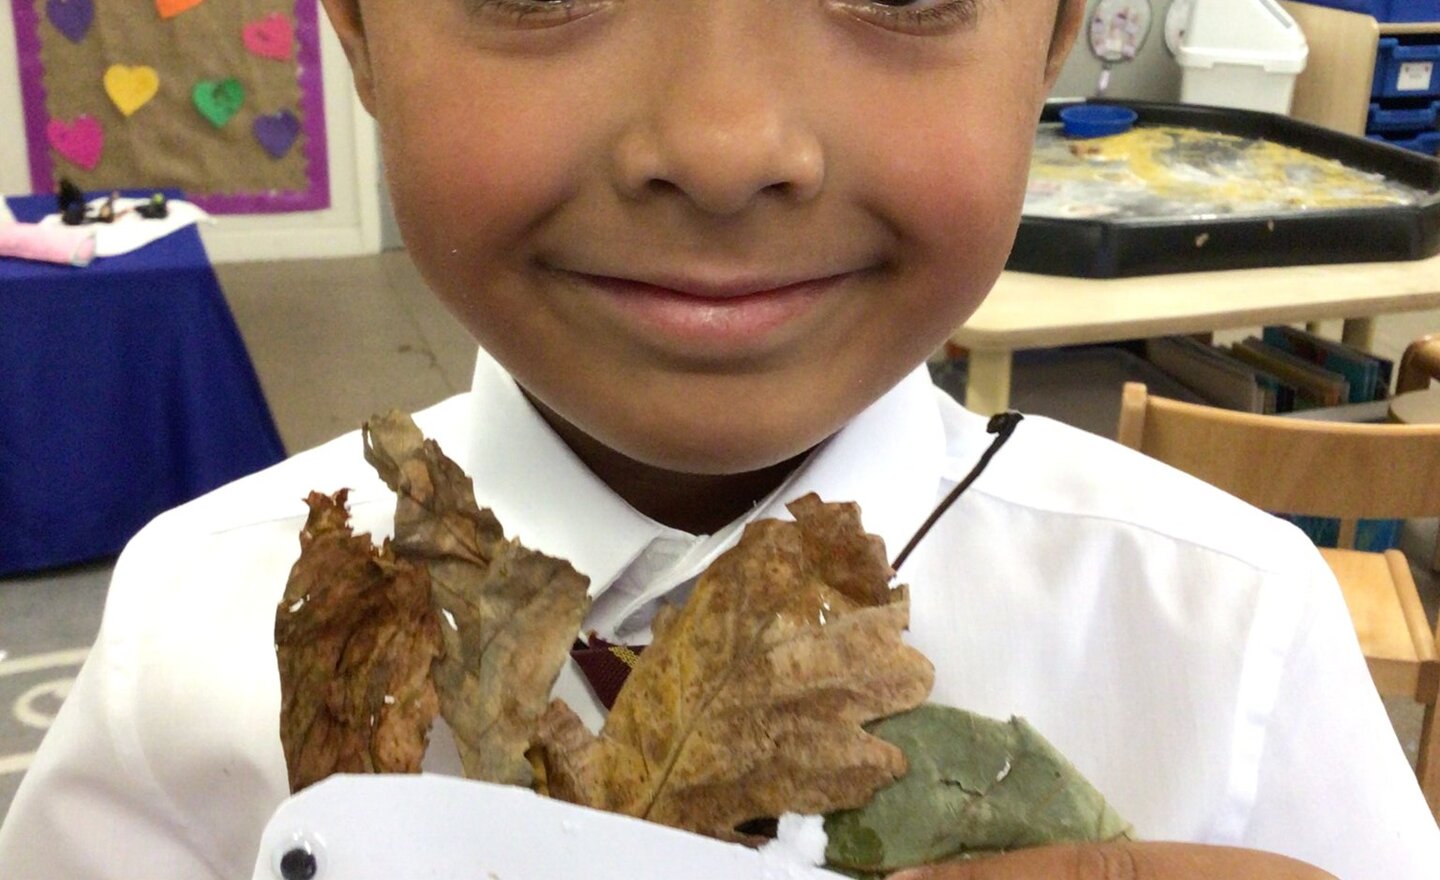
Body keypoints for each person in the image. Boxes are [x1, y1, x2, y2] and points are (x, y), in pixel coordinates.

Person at [1, 0, 1436, 877]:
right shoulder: (191, 638)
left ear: (1055, 29)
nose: (726, 138)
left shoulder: (1229, 644)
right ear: (359, 27)